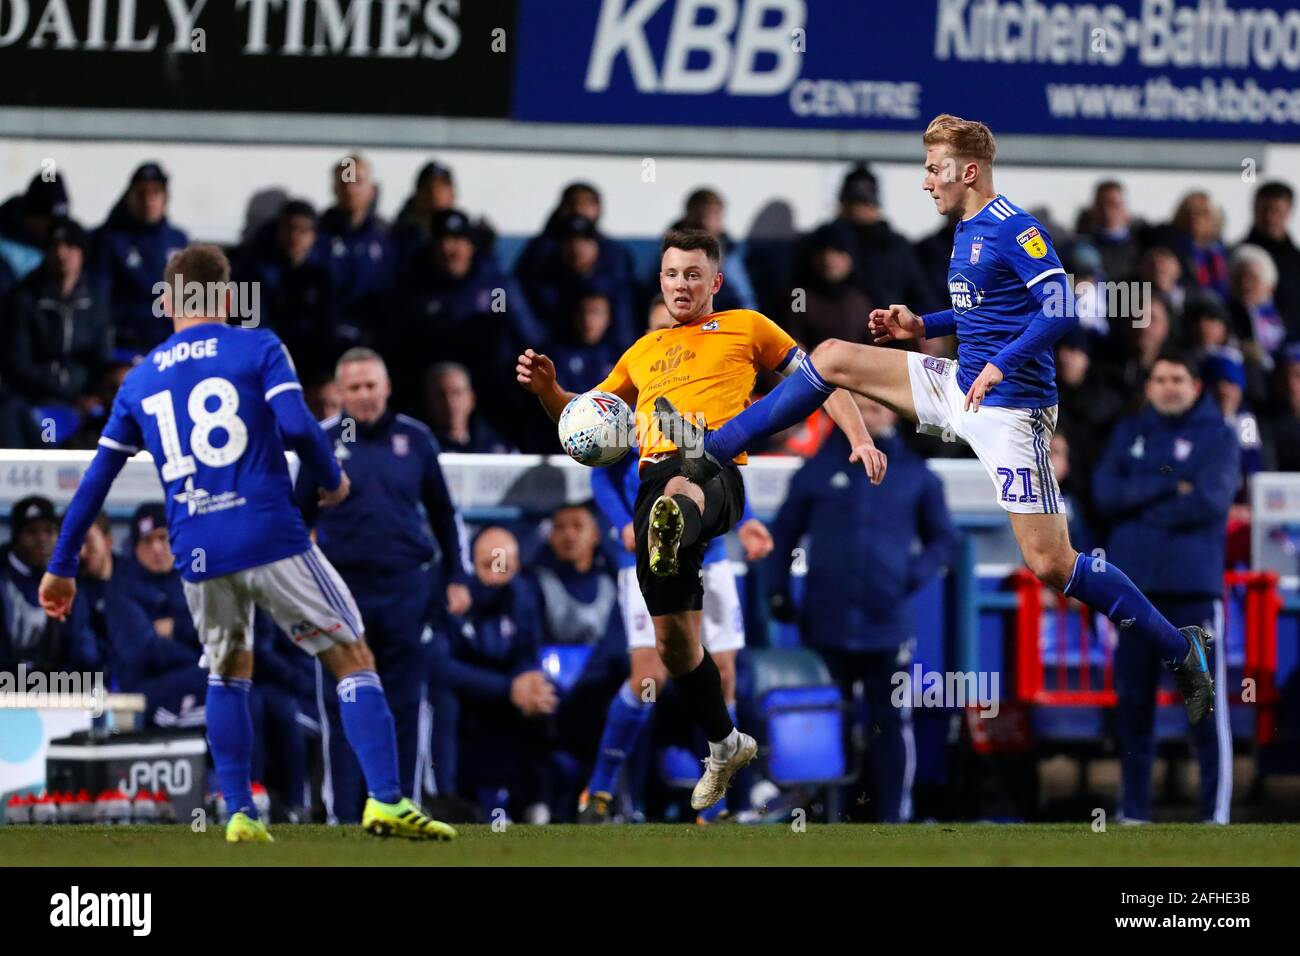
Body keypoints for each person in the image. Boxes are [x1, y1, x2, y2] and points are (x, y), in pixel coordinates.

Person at [657, 114, 1218, 727]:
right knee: (833, 357)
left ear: (967, 171)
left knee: (1052, 564)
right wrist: (923, 325)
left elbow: (1060, 307)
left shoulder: (1015, 228)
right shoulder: (963, 230)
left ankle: (1179, 645)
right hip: (960, 386)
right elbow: (984, 309)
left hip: (1012, 411)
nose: (925, 182)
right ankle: (715, 445)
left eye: (933, 168)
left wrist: (1002, 365)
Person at [37, 243, 455, 843]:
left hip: (197, 549)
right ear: (228, 298)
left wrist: (61, 565)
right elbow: (295, 426)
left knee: (228, 669)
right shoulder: (257, 345)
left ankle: (238, 811)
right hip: (270, 534)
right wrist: (333, 479)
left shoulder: (141, 377)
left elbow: (94, 480)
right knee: (351, 656)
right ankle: (386, 801)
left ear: (170, 302)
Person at [517, 228, 879, 812]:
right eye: (670, 274)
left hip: (715, 474)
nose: (681, 284)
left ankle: (672, 522)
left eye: (692, 274)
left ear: (714, 281)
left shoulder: (748, 327)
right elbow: (585, 428)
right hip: (651, 485)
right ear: (659, 281)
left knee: (688, 471)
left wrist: (858, 438)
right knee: (676, 646)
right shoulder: (640, 352)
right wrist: (550, 391)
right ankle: (725, 741)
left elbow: (819, 377)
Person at [294, 347, 472, 821]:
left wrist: (457, 577)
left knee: (406, 705)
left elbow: (443, 514)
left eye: (371, 385)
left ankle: (400, 806)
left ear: (387, 387)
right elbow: (293, 522)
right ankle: (343, 816)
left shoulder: (416, 439)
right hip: (339, 592)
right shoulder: (319, 442)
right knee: (342, 704)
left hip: (406, 592)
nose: (364, 395)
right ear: (339, 393)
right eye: (353, 388)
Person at [768, 395, 956, 822]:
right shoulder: (816, 470)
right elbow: (783, 536)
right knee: (823, 719)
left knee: (889, 722)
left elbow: (945, 540)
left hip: (885, 625)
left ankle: (892, 819)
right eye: (860, 401)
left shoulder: (915, 475)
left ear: (893, 408)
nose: (871, 407)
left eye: (878, 400)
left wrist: (908, 576)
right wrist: (777, 591)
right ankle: (821, 816)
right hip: (825, 620)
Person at [582, 436, 773, 823]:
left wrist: (748, 519)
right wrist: (622, 524)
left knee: (723, 676)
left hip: (712, 554)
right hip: (645, 552)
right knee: (648, 677)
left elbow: (725, 466)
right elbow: (602, 476)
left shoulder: (707, 397)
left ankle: (715, 808)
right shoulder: (634, 398)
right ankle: (599, 790)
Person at [1092, 352, 1237, 823]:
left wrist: (1138, 511)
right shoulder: (1128, 431)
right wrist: (1170, 489)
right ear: (1148, 385)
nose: (1169, 386)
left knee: (1203, 705)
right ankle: (1133, 812)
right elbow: (1104, 495)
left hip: (1192, 591)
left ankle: (1214, 814)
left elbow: (1210, 504)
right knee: (1133, 706)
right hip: (1133, 595)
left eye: (1178, 378)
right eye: (1160, 378)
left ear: (1196, 385)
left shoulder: (1219, 436)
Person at [438, 527, 555, 819]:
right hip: (463, 692)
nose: (495, 575)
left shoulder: (524, 594)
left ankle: (537, 804)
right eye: (487, 565)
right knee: (441, 699)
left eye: (505, 567)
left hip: (507, 691)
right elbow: (438, 668)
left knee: (545, 696)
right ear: (470, 564)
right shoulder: (451, 594)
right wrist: (507, 688)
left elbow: (529, 652)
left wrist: (528, 683)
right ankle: (443, 799)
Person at [108, 503, 208, 728]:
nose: (156, 548)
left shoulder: (191, 580)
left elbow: (210, 628)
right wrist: (199, 658)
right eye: (147, 540)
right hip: (143, 687)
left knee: (253, 698)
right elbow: (145, 649)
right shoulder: (121, 588)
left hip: (190, 677)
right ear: (134, 547)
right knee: (219, 684)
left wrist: (176, 627)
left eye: (163, 538)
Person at [2, 217, 110, 415]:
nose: (61, 254)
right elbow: (18, 366)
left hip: (87, 400)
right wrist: (69, 395)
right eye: (54, 247)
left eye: (69, 246)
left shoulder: (96, 299)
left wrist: (98, 392)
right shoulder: (23, 299)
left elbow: (102, 356)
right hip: (36, 400)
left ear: (82, 252)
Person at [90, 162, 189, 355]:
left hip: (171, 342)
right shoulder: (110, 241)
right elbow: (101, 300)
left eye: (155, 193)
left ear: (165, 197)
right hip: (126, 343)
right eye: (141, 193)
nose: (148, 200)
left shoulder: (178, 241)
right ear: (129, 197)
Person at [1, 496, 98, 674]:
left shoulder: (67, 578)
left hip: (55, 689)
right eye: (32, 531)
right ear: (16, 537)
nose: (42, 539)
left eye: (49, 531)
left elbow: (82, 648)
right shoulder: (3, 575)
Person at [1239, 181, 1300, 338]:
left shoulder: (1296, 261)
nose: (1269, 217)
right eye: (1264, 210)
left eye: (1276, 210)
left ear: (1288, 213)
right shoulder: (1236, 257)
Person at [422, 362, 515, 454]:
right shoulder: (420, 449)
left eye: (457, 393)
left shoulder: (498, 449)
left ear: (471, 399)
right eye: (441, 395)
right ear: (429, 400)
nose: (449, 402)